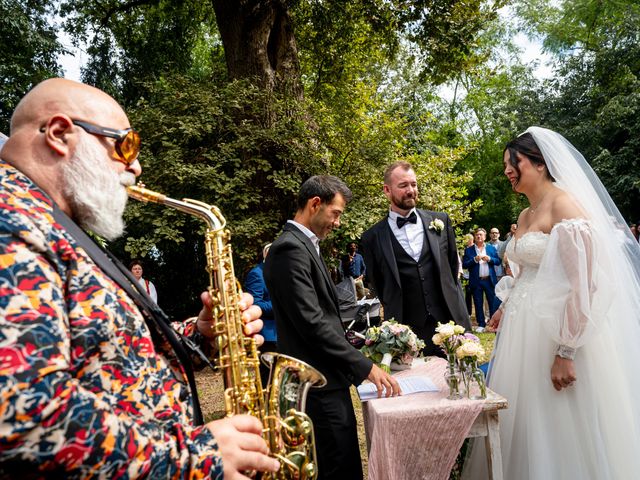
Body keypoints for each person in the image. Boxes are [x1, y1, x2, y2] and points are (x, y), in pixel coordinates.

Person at [0, 78, 280, 477]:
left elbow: (104, 351)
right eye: (125, 145)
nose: (136, 166)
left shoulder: (50, 223)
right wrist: (194, 459)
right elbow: (20, 411)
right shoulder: (12, 220)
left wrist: (199, 332)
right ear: (61, 134)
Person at [463, 127, 640, 479]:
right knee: (522, 416)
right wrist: (503, 307)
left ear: (540, 163)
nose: (508, 171)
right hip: (522, 335)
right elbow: (529, 274)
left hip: (559, 333)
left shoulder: (565, 205)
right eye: (505, 166)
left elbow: (584, 284)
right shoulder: (528, 215)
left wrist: (566, 351)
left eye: (514, 163)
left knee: (560, 418)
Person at [264, 175, 400, 480]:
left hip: (329, 378)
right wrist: (364, 366)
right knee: (339, 466)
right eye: (335, 213)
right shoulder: (290, 249)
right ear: (315, 204)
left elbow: (325, 317)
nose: (337, 223)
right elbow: (312, 323)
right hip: (317, 384)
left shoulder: (303, 245)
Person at [361, 161, 471, 356]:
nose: (411, 190)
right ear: (387, 190)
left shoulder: (441, 221)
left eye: (414, 184)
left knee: (459, 381)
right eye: (403, 186)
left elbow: (453, 266)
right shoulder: (372, 237)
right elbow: (377, 283)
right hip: (406, 331)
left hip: (448, 322)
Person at [244, 242, 276, 386]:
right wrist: (281, 305)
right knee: (267, 380)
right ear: (267, 255)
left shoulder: (282, 273)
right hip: (268, 336)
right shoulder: (256, 274)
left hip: (283, 333)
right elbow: (255, 304)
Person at [462, 228, 501, 332]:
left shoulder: (491, 248)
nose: (479, 236)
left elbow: (498, 261)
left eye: (481, 235)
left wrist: (490, 259)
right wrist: (474, 260)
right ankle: (481, 324)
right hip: (476, 280)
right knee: (478, 302)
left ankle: (493, 324)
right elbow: (464, 265)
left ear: (484, 237)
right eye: (477, 235)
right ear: (474, 237)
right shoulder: (469, 250)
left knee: (492, 302)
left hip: (489, 280)